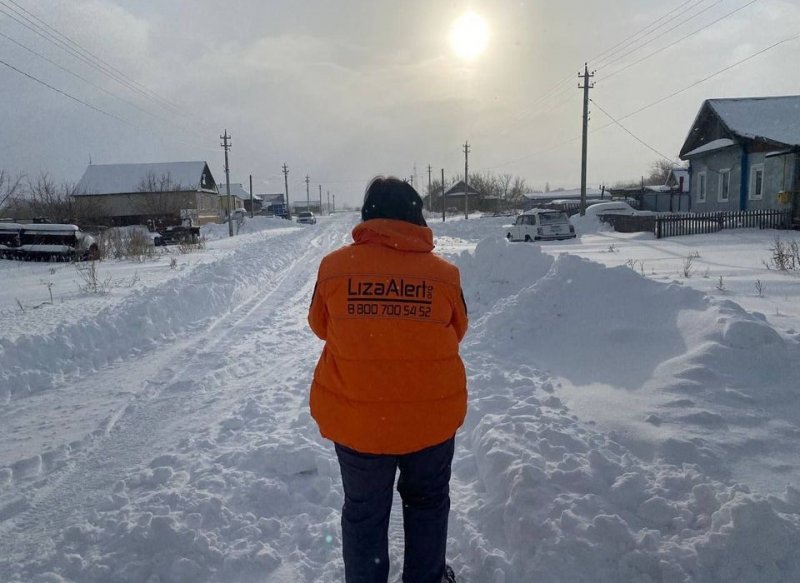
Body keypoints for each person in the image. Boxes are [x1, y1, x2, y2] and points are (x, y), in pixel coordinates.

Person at [308, 176, 468, 583]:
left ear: (368, 217)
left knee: (364, 512)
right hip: (429, 422)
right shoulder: (445, 275)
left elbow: (320, 326)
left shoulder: (333, 269)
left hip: (358, 422)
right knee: (428, 503)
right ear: (416, 216)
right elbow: (458, 328)